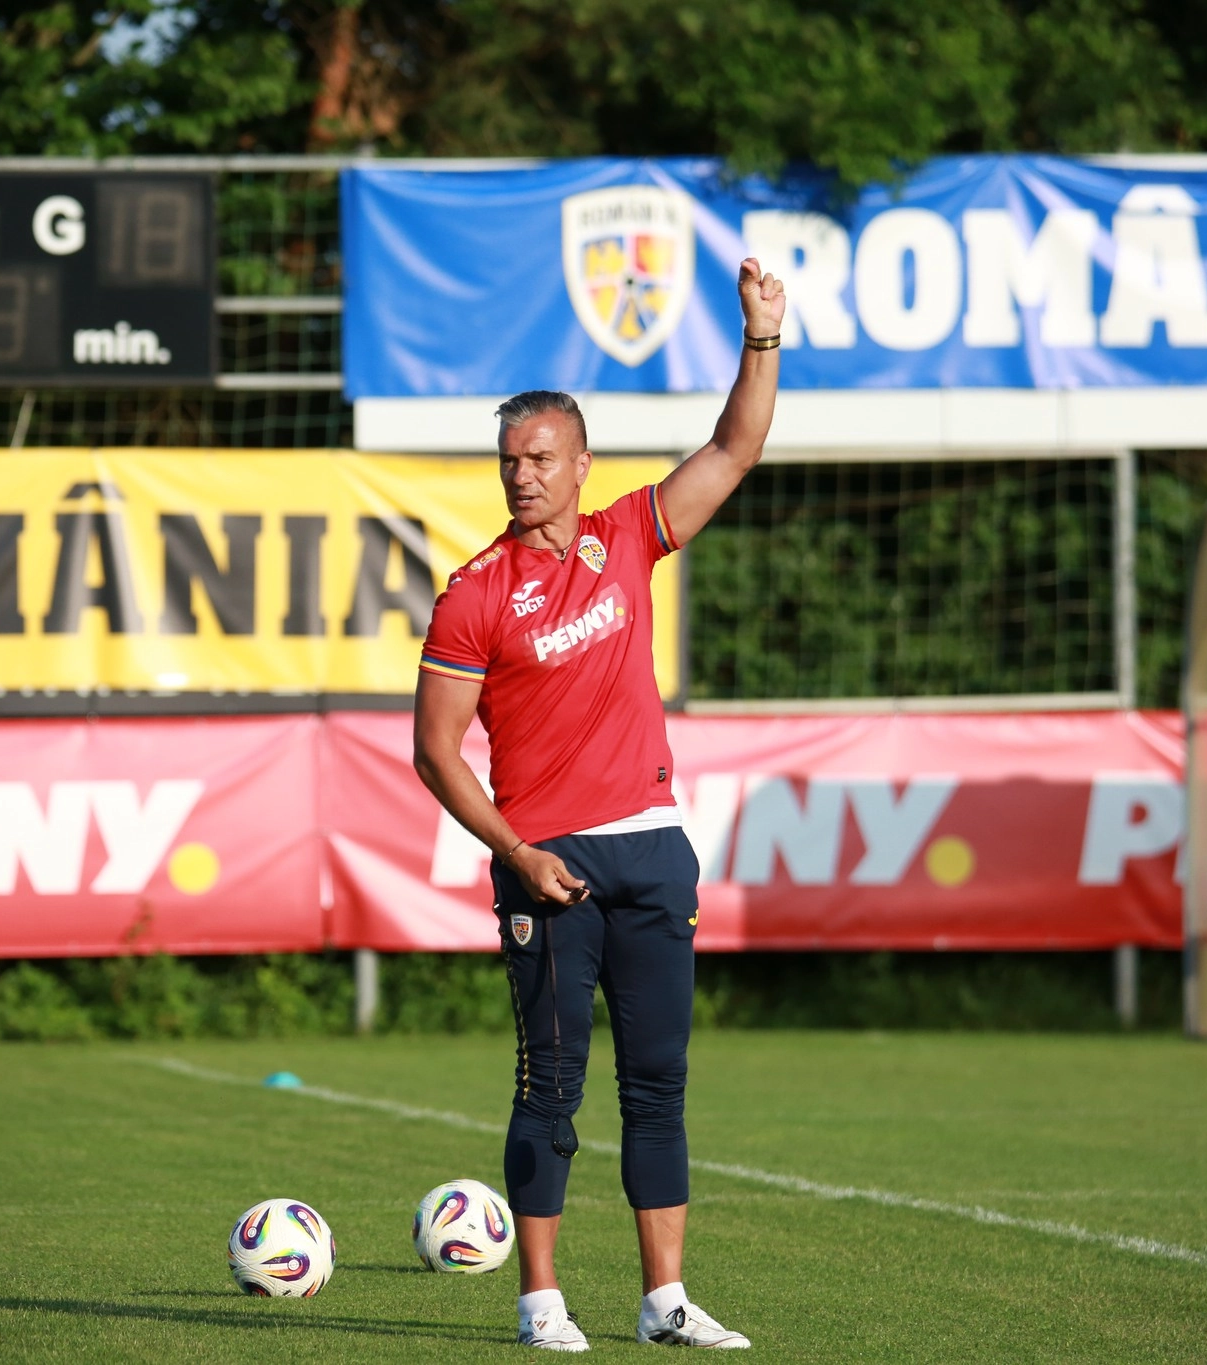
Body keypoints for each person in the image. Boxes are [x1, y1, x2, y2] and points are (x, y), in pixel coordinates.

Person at [412, 257, 786, 1351]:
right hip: (550, 866)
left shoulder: (626, 536)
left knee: (659, 1088)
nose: (520, 476)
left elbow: (734, 449)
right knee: (550, 1091)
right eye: (506, 461)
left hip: (652, 853)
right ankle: (538, 1303)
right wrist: (517, 852)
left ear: (581, 463)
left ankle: (664, 1301)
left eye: (537, 458)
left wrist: (760, 340)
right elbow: (436, 754)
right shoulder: (474, 592)